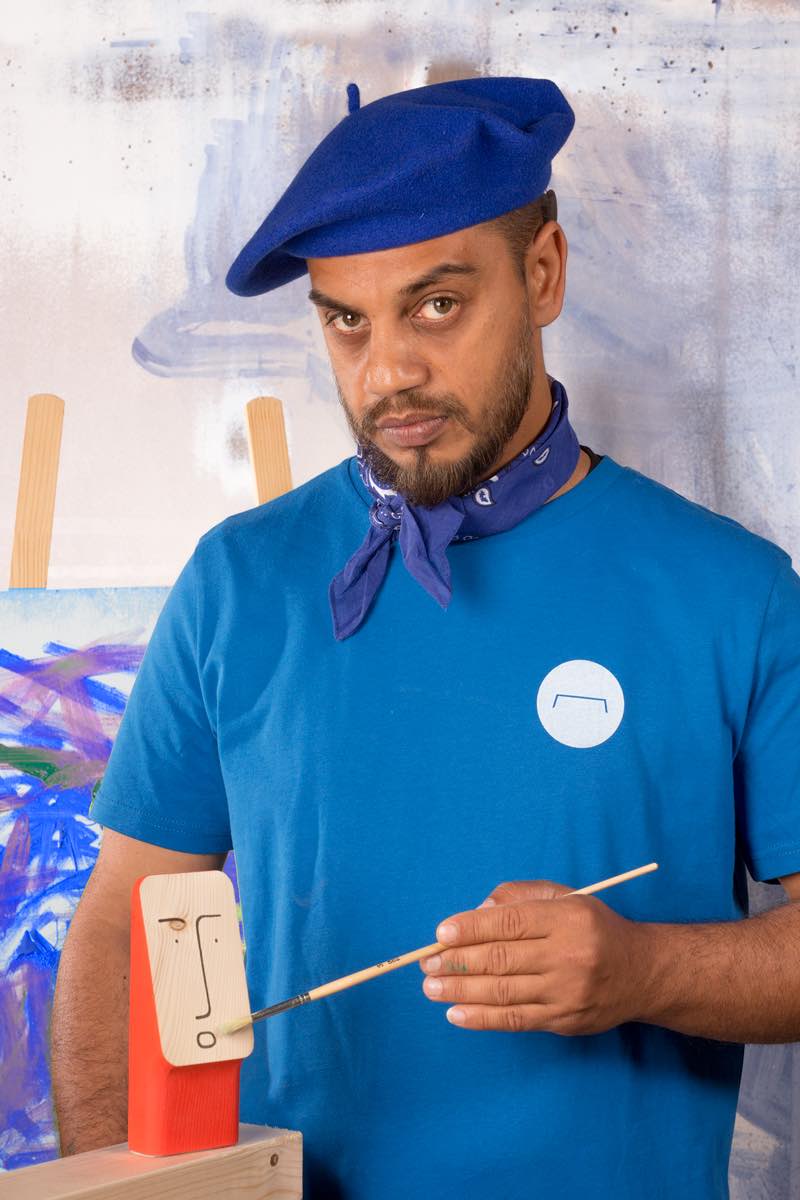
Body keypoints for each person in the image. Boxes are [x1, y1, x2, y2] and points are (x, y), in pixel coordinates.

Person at [51, 76, 800, 1199]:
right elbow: (125, 920)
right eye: (346, 320)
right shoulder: (237, 580)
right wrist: (108, 1186)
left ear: (541, 274)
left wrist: (644, 970)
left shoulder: (733, 591)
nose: (387, 370)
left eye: (436, 304)